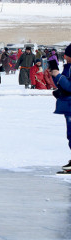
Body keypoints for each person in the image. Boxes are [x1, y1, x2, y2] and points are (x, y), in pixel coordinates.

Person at [50, 44, 71, 172]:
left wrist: (59, 75)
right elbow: (62, 85)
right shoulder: (68, 67)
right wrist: (54, 74)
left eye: (67, 54)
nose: (64, 56)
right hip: (67, 105)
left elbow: (69, 87)